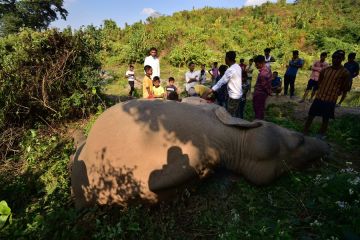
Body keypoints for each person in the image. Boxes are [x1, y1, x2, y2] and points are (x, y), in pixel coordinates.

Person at [303, 50, 350, 138]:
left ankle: (321, 134)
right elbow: (320, 81)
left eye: (338, 58)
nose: (335, 60)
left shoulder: (345, 73)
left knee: (326, 118)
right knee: (311, 115)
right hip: (320, 96)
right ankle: (305, 131)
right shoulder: (325, 69)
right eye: (334, 57)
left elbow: (344, 88)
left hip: (331, 99)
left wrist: (338, 97)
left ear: (343, 59)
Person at [203, 51, 243, 117]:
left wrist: (208, 92)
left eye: (225, 57)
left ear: (227, 58)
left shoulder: (230, 70)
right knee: (236, 113)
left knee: (230, 117)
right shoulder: (237, 66)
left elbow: (220, 83)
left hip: (233, 97)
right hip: (238, 95)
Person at [253, 55, 272, 120]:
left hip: (260, 94)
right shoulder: (268, 68)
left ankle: (258, 123)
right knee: (261, 109)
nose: (255, 66)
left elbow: (265, 86)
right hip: (263, 94)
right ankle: (260, 121)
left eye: (256, 64)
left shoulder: (262, 74)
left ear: (260, 63)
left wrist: (269, 92)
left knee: (258, 110)